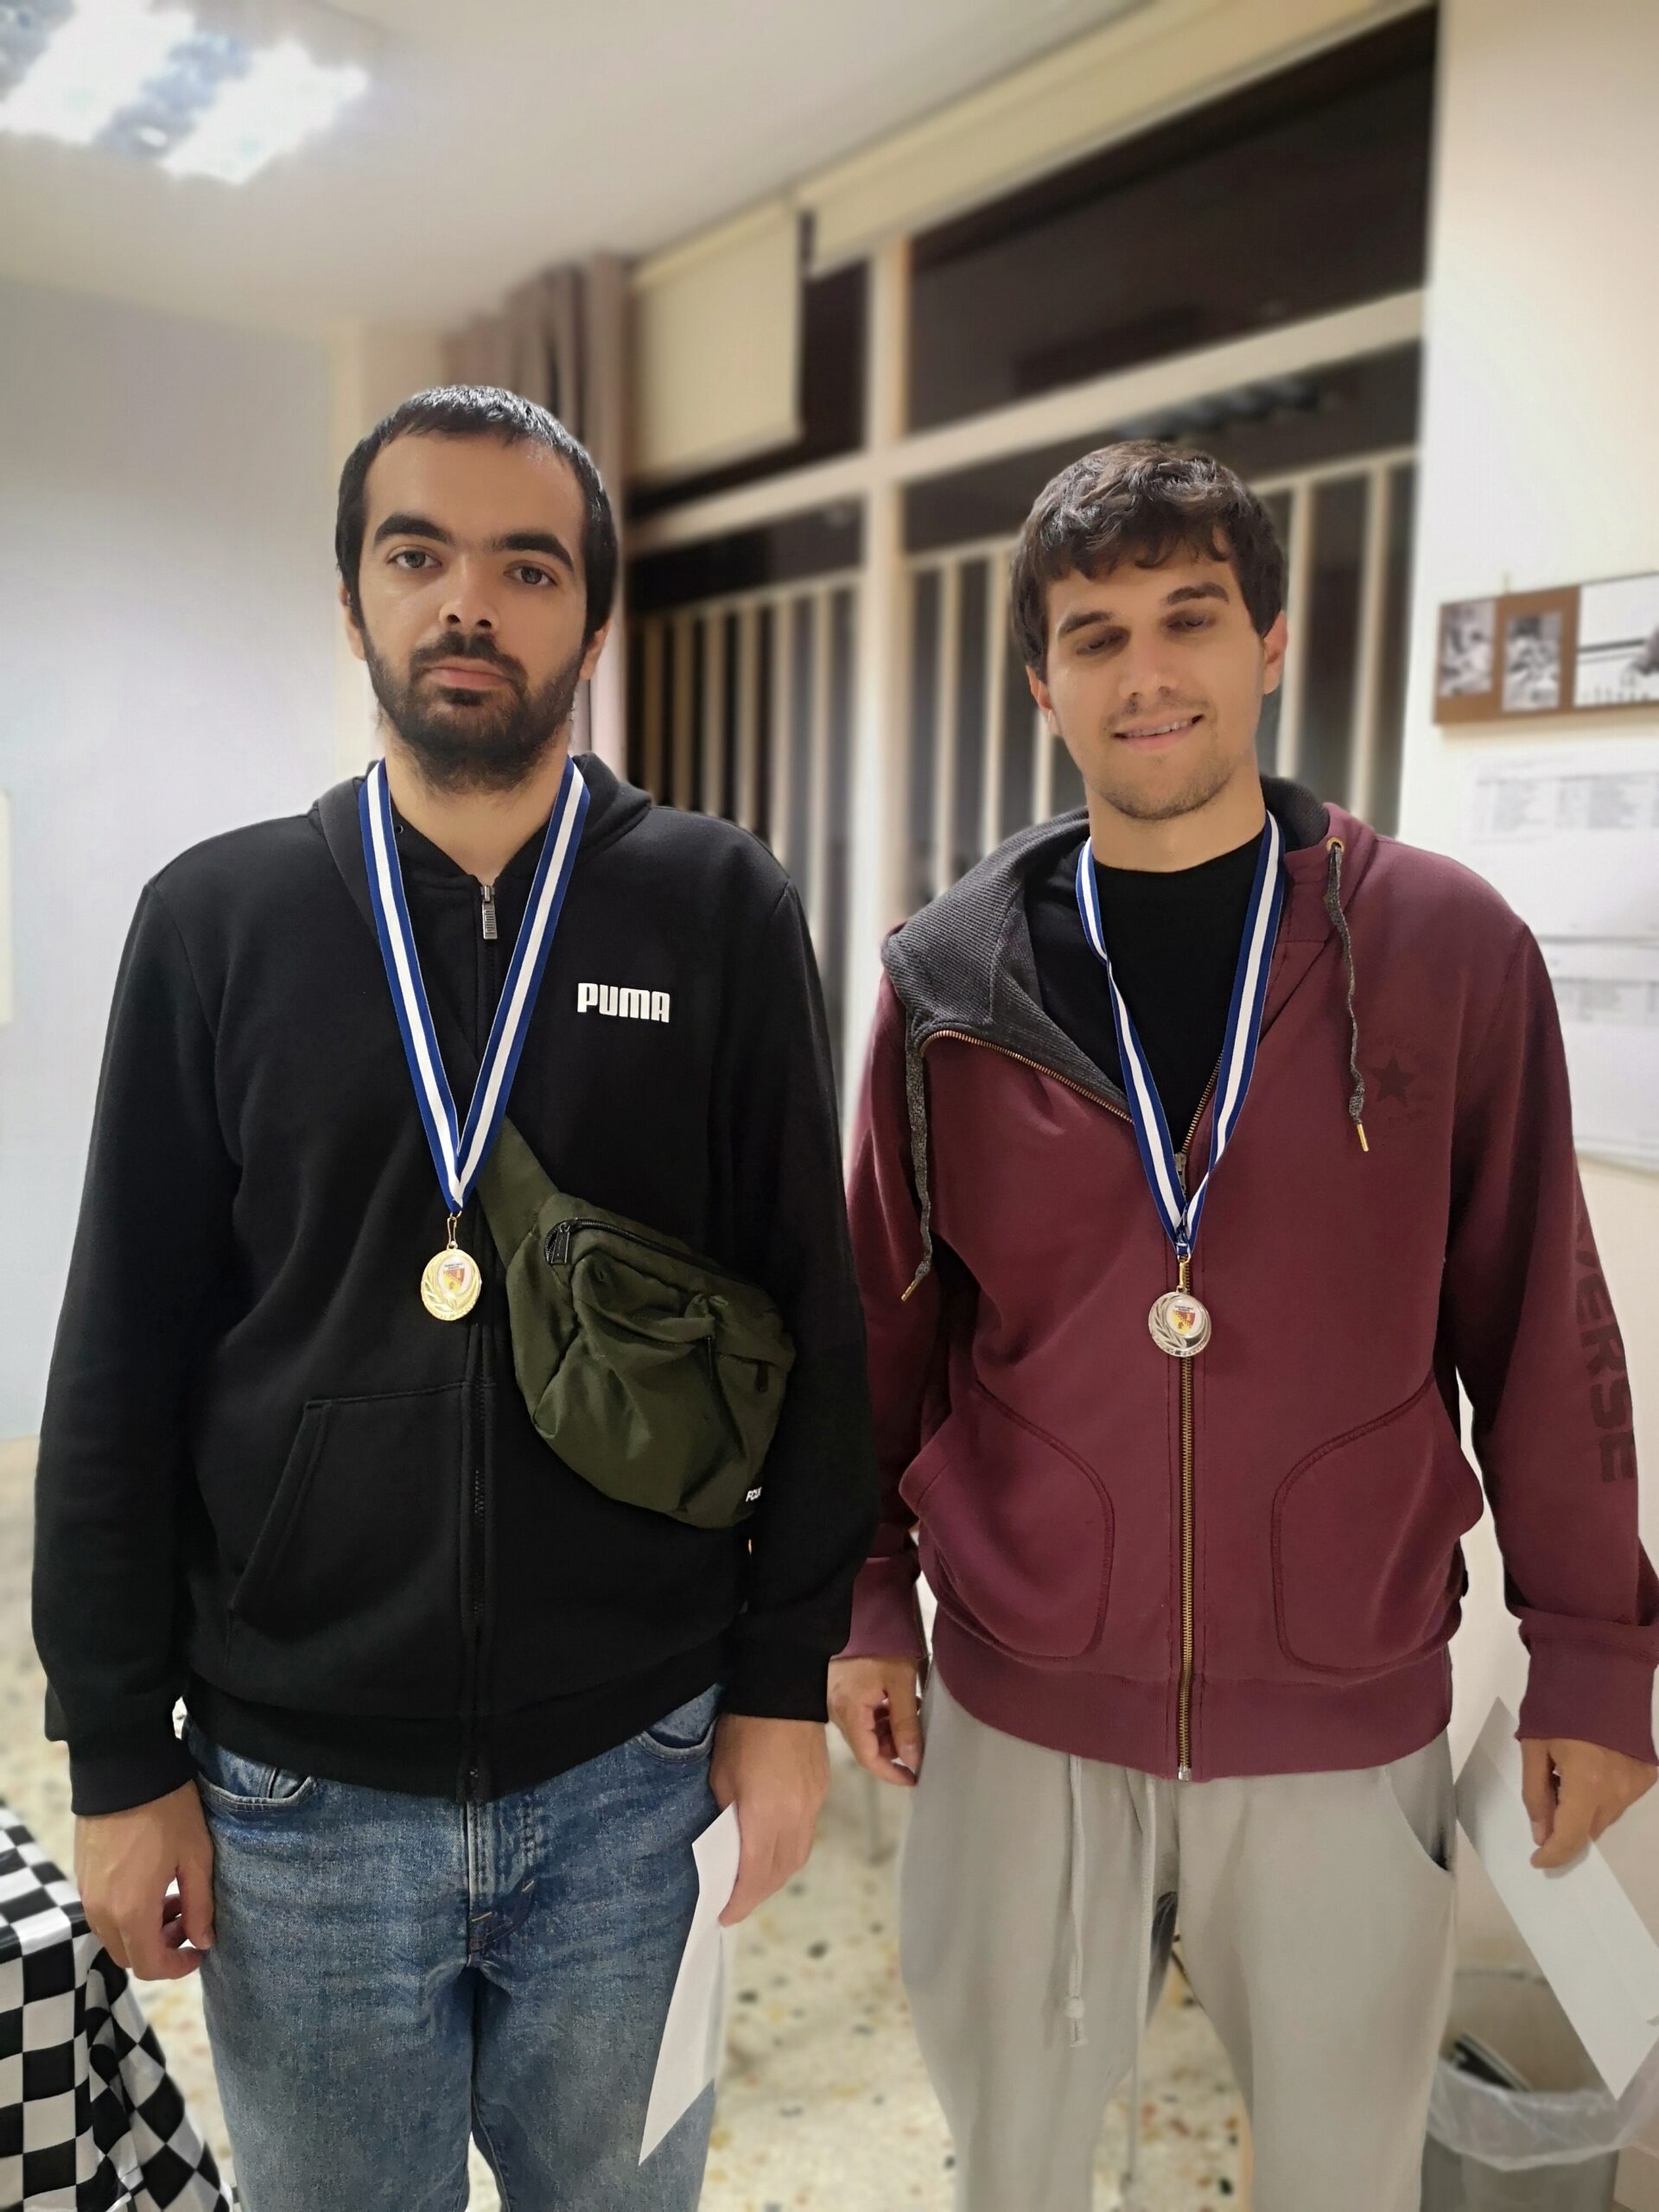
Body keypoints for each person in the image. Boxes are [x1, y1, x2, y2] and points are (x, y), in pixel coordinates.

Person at [33, 385, 878, 2212]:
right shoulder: (220, 921)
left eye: (527, 564)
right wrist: (113, 1751)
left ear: (595, 616)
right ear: (353, 595)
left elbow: (818, 1318)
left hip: (637, 1774)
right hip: (296, 1797)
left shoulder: (717, 908)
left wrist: (781, 1688)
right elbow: (117, 1356)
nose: (468, 602)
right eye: (417, 554)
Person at [829, 441, 1658, 2212]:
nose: (1147, 672)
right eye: (1096, 633)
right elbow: (882, 1328)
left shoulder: (1445, 950)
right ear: (1042, 680)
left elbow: (1540, 1320)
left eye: (1189, 617)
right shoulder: (947, 984)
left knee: (1340, 2178)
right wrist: (862, 1592)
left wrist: (1594, 1650)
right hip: (1025, 1699)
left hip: (1342, 1711)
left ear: (1269, 643)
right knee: (1015, 2169)